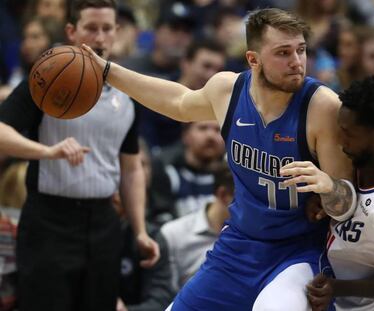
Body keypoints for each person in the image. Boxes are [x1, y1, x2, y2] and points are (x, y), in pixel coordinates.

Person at [82, 8, 355, 310]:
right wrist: (109, 72)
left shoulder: (323, 107)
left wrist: (330, 188)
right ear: (253, 60)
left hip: (300, 251)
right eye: (283, 52)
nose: (297, 62)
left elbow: (347, 207)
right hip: (240, 244)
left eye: (301, 50)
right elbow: (178, 102)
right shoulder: (229, 89)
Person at [0, 1, 159, 310]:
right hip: (49, 220)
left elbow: (131, 168)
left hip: (104, 222)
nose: (99, 38)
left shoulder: (128, 93)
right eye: (91, 28)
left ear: (117, 33)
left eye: (106, 29)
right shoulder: (47, 76)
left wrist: (140, 230)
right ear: (72, 31)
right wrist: (47, 151)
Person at [283, 77, 374, 311]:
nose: (339, 141)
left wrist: (338, 287)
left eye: (347, 133)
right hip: (331, 281)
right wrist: (324, 200)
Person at [160, 162, 233, 292]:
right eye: (248, 198)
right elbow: (164, 298)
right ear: (223, 195)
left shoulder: (258, 236)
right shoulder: (173, 235)